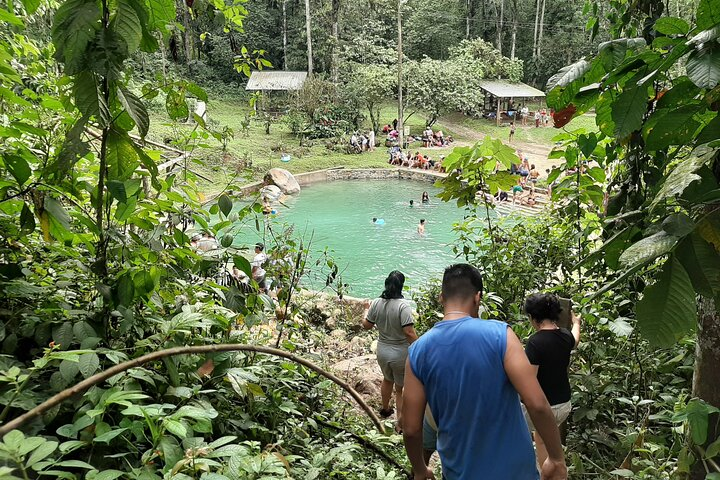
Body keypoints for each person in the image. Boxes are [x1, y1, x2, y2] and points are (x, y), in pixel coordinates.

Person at [402, 264, 567, 480]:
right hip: (516, 473)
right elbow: (536, 403)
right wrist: (556, 458)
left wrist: (421, 471)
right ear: (478, 298)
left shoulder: (417, 351)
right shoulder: (501, 335)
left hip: (459, 473)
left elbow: (411, 429)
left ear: (441, 298)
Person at [523, 293, 581, 470]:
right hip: (563, 405)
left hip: (543, 409)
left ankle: (546, 473)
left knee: (538, 437)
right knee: (545, 436)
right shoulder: (564, 336)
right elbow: (575, 340)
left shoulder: (535, 343)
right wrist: (576, 323)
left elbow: (529, 382)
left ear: (533, 318)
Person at [361, 271, 418, 432]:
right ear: (401, 286)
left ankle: (385, 409)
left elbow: (366, 325)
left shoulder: (377, 303)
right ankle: (399, 424)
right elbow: (409, 333)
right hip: (400, 353)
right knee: (400, 388)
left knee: (387, 379)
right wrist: (422, 347)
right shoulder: (403, 306)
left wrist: (365, 310)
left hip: (382, 351)